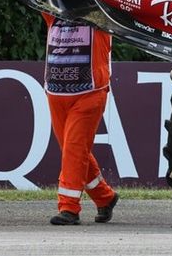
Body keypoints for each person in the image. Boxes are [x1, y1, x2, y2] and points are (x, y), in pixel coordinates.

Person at [42, 14, 119, 226]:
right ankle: (105, 197)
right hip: (56, 93)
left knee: (74, 150)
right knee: (73, 151)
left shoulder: (101, 12)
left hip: (90, 94)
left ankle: (69, 207)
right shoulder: (53, 7)